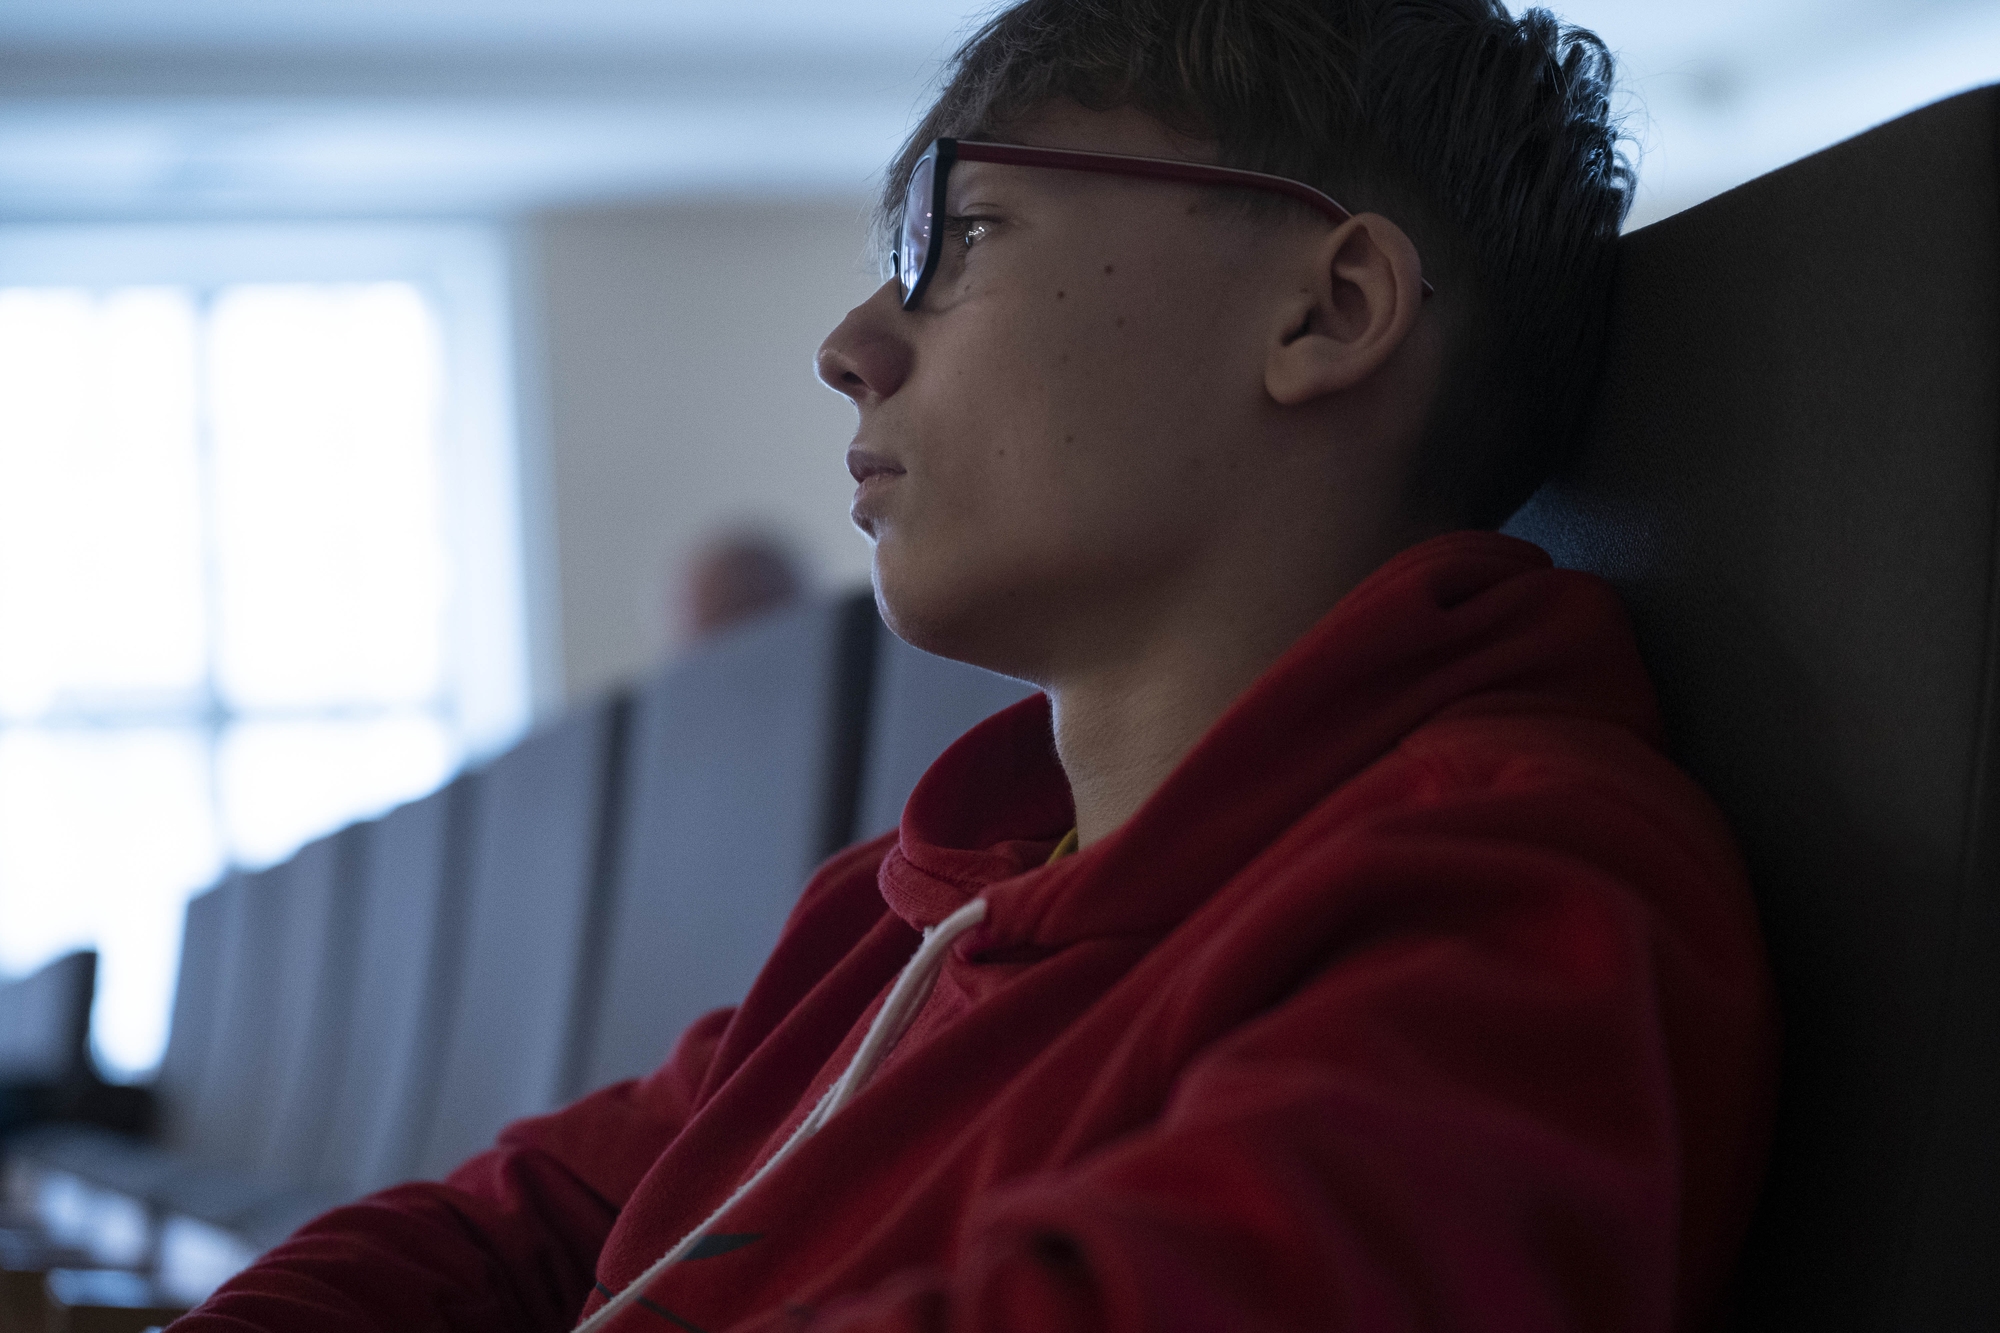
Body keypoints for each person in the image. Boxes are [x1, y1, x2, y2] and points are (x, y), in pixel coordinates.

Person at [176, 1, 1776, 1330]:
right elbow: (524, 1220)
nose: (851, 345)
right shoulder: (911, 909)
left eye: (969, 232)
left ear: (1328, 307)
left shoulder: (1510, 895)